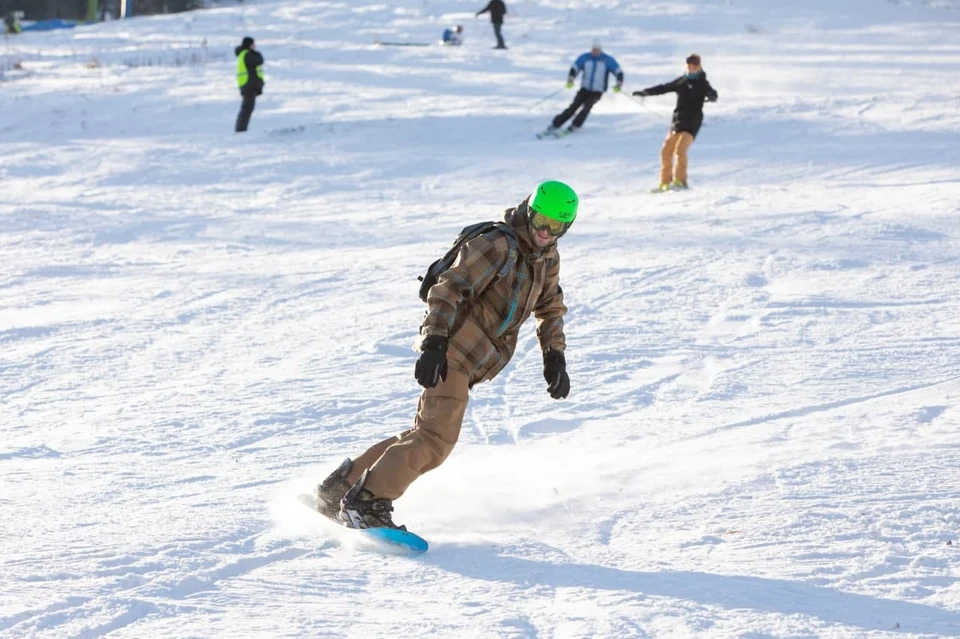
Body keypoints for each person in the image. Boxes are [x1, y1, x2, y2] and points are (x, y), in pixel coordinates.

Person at [316, 181, 578, 529]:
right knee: (435, 441)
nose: (546, 232)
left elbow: (550, 306)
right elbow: (447, 290)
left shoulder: (546, 257)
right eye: (542, 221)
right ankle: (367, 502)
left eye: (556, 227)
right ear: (529, 212)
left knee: (422, 434)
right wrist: (434, 343)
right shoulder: (497, 245)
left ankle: (339, 491)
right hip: (452, 351)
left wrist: (553, 354)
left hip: (471, 360)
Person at [633, 54, 718, 191]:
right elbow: (664, 88)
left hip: (692, 122)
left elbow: (711, 92)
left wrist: (712, 95)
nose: (691, 69)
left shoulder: (702, 83)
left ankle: (680, 182)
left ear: (699, 67)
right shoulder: (682, 81)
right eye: (689, 67)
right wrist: (646, 92)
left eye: (694, 67)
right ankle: (665, 183)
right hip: (678, 121)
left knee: (680, 150)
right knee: (666, 151)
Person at [545, 40, 623, 135]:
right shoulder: (585, 58)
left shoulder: (607, 60)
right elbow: (575, 67)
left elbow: (618, 71)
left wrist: (619, 83)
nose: (595, 52)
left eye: (597, 50)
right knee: (573, 107)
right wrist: (571, 78)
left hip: (597, 91)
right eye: (593, 50)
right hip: (585, 89)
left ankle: (575, 125)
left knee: (586, 107)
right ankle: (555, 124)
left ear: (600, 50)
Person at [234, 36, 264, 133]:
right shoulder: (247, 54)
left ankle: (241, 129)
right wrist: (256, 53)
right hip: (249, 85)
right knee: (247, 109)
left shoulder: (244, 54)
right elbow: (259, 60)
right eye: (253, 44)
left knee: (247, 109)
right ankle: (241, 130)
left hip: (248, 85)